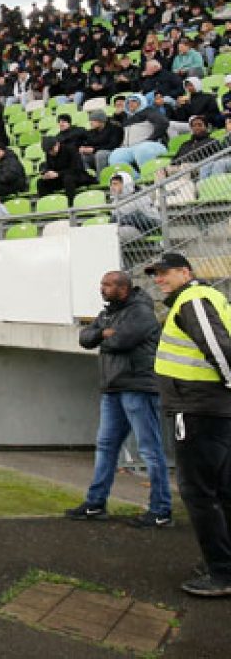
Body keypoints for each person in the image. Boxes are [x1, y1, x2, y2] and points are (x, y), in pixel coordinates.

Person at [148, 252, 231, 596]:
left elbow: (221, 351)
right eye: (155, 275)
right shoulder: (201, 298)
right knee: (223, 492)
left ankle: (221, 573)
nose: (158, 279)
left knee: (199, 493)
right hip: (209, 409)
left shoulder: (193, 300)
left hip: (198, 410)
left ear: (185, 272)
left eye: (165, 273)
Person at [66, 271, 171, 526]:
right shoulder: (107, 314)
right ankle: (95, 504)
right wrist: (104, 333)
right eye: (102, 284)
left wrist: (103, 334)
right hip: (113, 388)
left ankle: (161, 510)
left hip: (138, 387)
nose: (102, 288)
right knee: (105, 446)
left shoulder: (141, 312)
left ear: (123, 288)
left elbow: (120, 342)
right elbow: (85, 339)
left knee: (149, 450)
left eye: (108, 285)